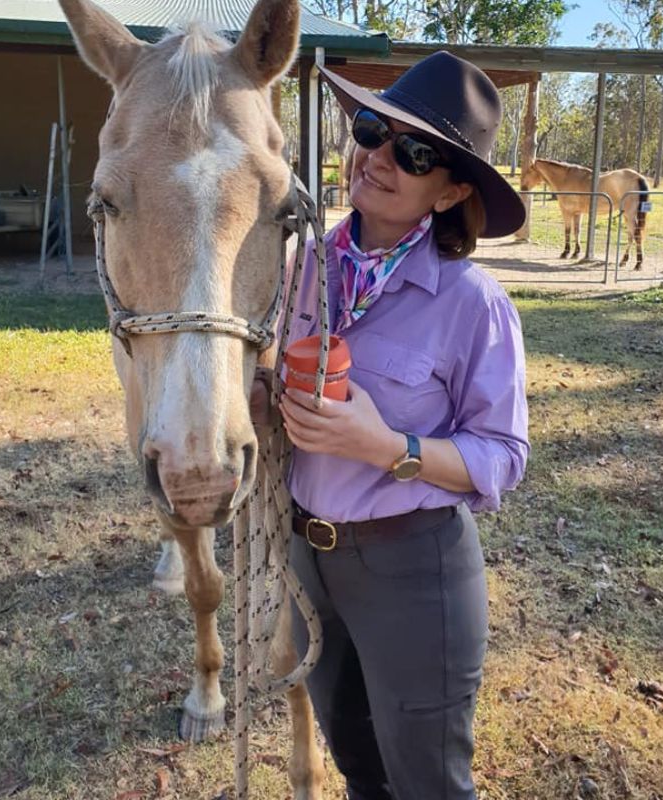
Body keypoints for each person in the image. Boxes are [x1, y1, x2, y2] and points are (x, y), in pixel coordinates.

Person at [264, 51, 529, 800]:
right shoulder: (304, 267)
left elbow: (502, 456)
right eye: (374, 129)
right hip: (306, 559)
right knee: (357, 762)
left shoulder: (471, 303)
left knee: (427, 783)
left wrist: (387, 448)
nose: (377, 156)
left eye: (414, 153)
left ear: (449, 193)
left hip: (412, 569)